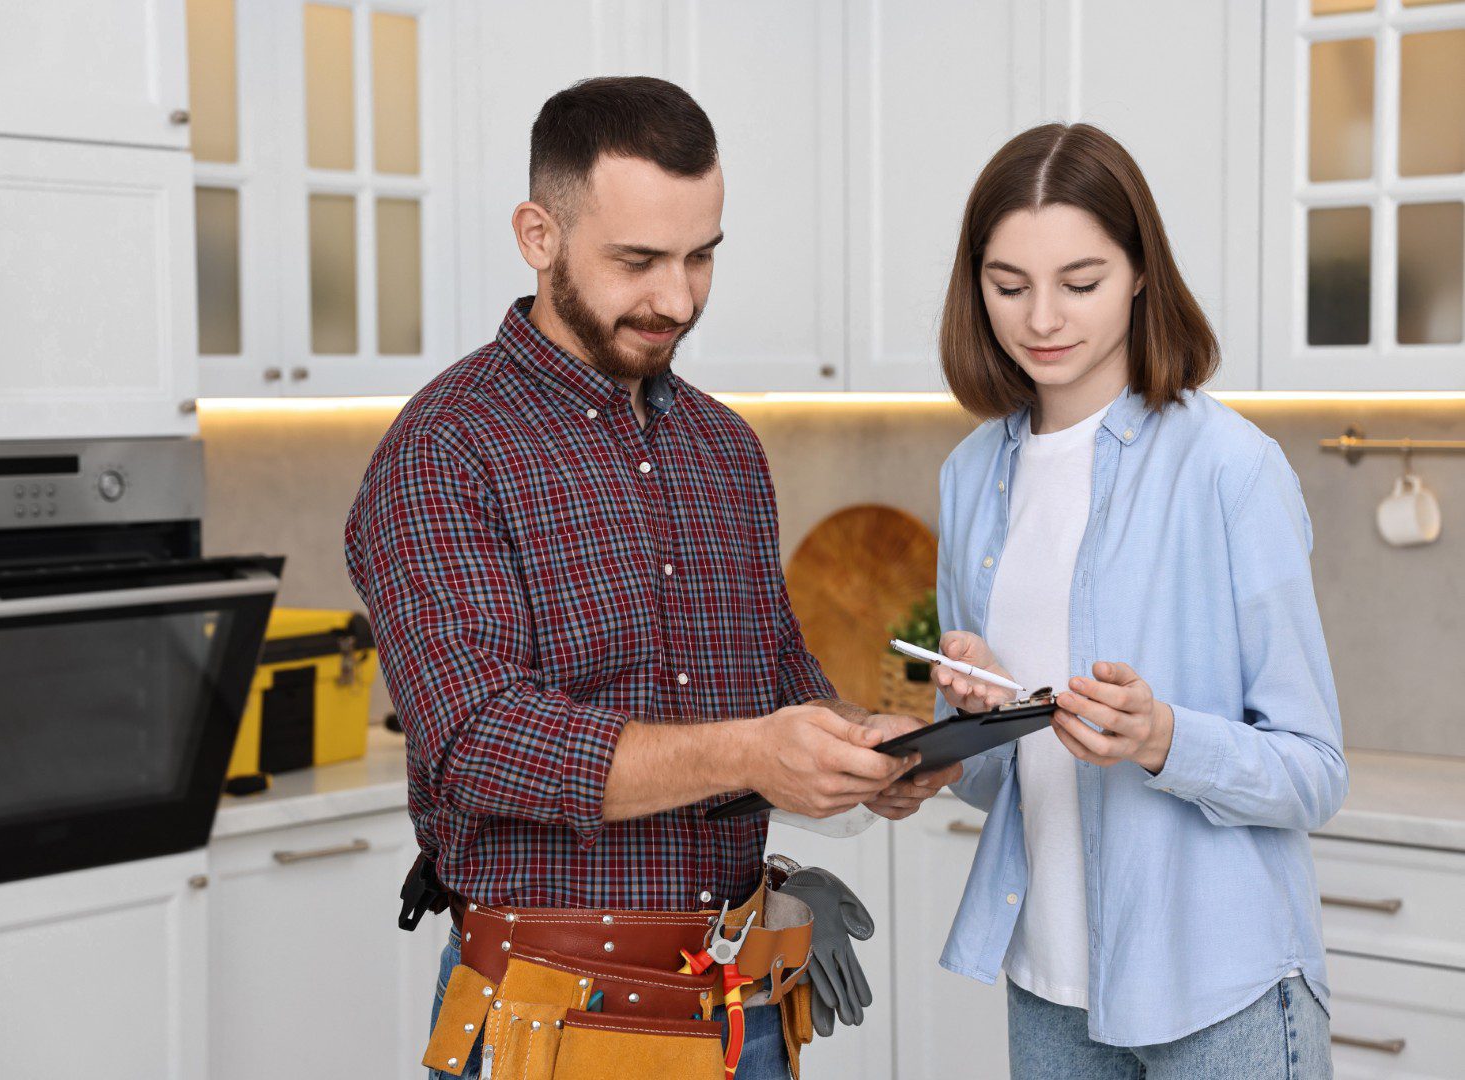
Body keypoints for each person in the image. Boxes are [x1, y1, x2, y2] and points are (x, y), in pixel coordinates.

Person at [344, 75, 959, 1080]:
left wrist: (863, 748)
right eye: (637, 261)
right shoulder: (443, 450)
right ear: (539, 234)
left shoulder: (727, 448)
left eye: (700, 256)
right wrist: (754, 754)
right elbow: (477, 743)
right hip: (548, 1021)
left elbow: (773, 675)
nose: (676, 299)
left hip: (744, 1012)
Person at [929, 122, 1346, 1079]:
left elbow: (1314, 770)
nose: (1042, 317)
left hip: (1222, 990)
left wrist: (1162, 738)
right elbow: (1001, 786)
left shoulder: (1231, 469)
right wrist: (974, 715)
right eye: (1007, 284)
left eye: (1080, 283)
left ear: (1141, 273)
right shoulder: (967, 479)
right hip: (1048, 984)